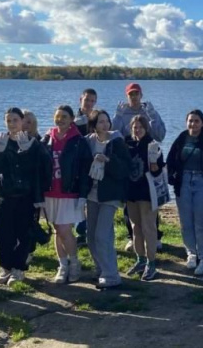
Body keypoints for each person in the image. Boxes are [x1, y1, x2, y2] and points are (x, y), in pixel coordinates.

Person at [0, 108, 45, 286]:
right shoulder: (1, 140)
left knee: (24, 233)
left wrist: (27, 152)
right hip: (6, 194)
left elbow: (36, 169)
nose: (12, 124)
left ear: (23, 121)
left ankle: (18, 269)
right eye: (9, 121)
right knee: (3, 233)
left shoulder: (32, 142)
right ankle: (5, 268)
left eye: (15, 120)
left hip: (26, 195)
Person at [167, 109, 203, 276]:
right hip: (183, 183)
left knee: (202, 223)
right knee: (186, 222)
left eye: (196, 121)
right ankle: (191, 253)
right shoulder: (182, 138)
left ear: (202, 123)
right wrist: (172, 177)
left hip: (202, 183)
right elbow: (171, 159)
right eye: (190, 120)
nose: (193, 124)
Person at [41, 105, 92, 284]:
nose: (60, 119)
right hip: (50, 191)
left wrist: (83, 194)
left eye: (64, 116)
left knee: (64, 229)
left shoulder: (78, 140)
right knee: (57, 230)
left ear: (71, 119)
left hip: (69, 192)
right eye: (57, 116)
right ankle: (62, 266)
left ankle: (75, 263)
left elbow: (85, 169)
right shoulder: (47, 138)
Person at [85, 110, 131, 288]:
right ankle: (101, 268)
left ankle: (112, 276)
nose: (105, 125)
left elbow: (125, 168)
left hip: (110, 195)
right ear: (94, 125)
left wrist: (108, 160)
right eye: (100, 122)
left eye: (106, 121)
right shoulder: (88, 142)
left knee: (102, 235)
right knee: (91, 236)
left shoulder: (116, 141)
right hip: (92, 194)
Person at [124, 115, 165, 281]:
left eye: (140, 126)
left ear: (146, 128)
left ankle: (151, 263)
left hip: (148, 193)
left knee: (149, 228)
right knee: (135, 227)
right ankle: (140, 259)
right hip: (131, 193)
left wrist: (154, 163)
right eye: (134, 126)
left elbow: (158, 172)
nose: (137, 129)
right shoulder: (128, 144)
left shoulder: (152, 145)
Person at [21, 109, 51, 265]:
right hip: (16, 189)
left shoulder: (40, 142)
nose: (25, 125)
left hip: (34, 189)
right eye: (23, 121)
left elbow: (45, 168)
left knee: (31, 221)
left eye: (29, 122)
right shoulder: (11, 140)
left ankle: (29, 251)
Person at [73, 88, 98, 246]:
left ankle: (91, 231)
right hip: (78, 166)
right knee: (79, 200)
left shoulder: (96, 119)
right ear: (80, 99)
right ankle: (81, 232)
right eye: (87, 100)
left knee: (92, 200)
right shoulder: (73, 119)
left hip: (94, 165)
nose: (89, 103)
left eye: (92, 101)